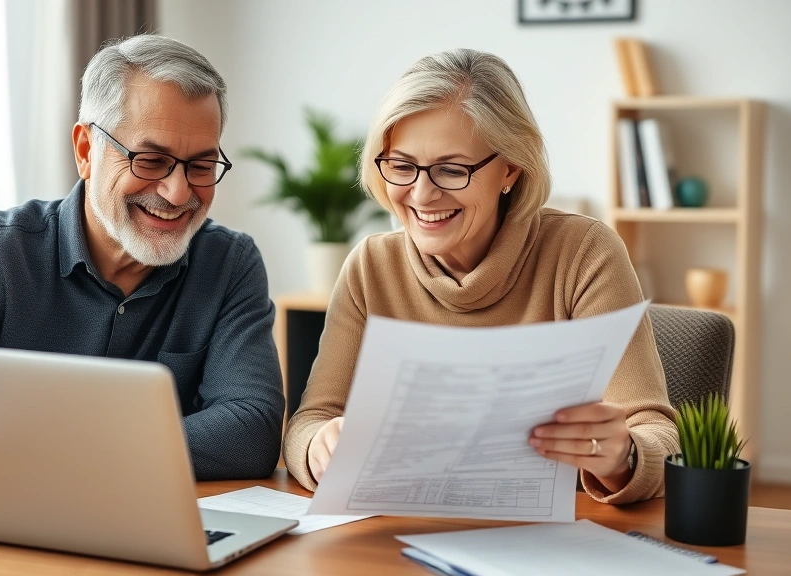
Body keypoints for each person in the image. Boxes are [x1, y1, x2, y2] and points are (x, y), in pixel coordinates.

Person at [0, 35, 284, 480]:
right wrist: (115, 450)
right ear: (85, 151)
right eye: (151, 160)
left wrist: (56, 449)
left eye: (200, 165)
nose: (177, 192)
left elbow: (252, 432)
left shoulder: (230, 263)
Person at [283, 49, 678, 504]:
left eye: (452, 170)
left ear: (511, 167)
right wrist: (320, 446)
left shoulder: (583, 253)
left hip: (549, 543)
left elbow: (657, 432)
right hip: (400, 534)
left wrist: (624, 454)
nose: (422, 194)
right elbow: (310, 421)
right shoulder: (371, 266)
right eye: (402, 166)